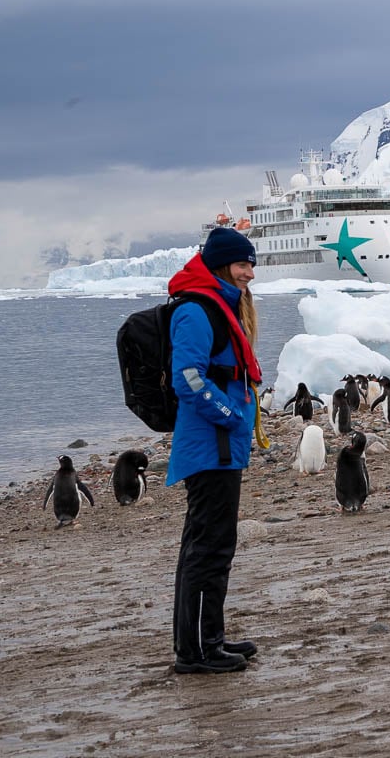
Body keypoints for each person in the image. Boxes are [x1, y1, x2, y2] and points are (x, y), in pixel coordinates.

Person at [165, 227, 263, 674]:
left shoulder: (217, 304)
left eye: (251, 265)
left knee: (211, 544)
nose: (249, 273)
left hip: (221, 444)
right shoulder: (197, 309)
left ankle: (209, 637)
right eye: (243, 264)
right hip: (211, 445)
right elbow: (186, 378)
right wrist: (230, 414)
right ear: (224, 263)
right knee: (208, 547)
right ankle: (196, 651)